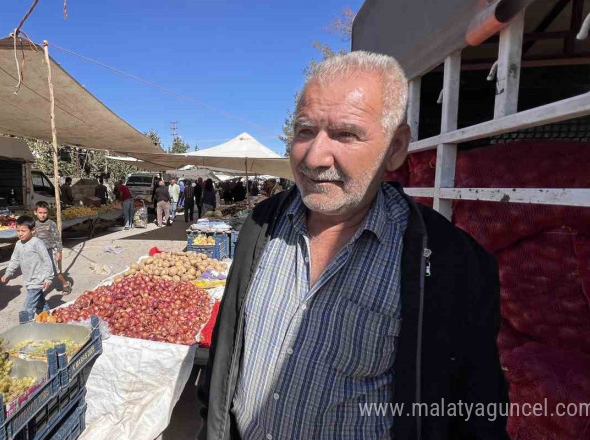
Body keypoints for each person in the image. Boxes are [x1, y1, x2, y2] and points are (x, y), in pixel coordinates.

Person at [198, 52, 508, 440]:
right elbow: (227, 358)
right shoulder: (261, 227)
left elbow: (476, 414)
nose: (314, 157)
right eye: (305, 131)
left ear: (395, 148)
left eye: (345, 134)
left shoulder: (452, 264)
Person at [2, 216, 55, 314]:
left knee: (28, 307)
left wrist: (48, 278)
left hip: (38, 280)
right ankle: (48, 317)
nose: (20, 233)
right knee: (40, 303)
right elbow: (15, 259)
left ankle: (26, 324)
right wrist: (9, 272)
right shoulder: (18, 244)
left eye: (23, 231)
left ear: (33, 230)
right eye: (18, 231)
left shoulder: (37, 243)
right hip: (28, 280)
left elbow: (47, 260)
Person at [33, 201, 71, 293]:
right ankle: (40, 289)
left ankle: (66, 284)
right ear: (35, 212)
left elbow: (57, 238)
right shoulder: (34, 224)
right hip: (40, 252)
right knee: (40, 270)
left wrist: (59, 251)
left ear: (48, 213)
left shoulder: (51, 224)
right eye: (40, 213)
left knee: (54, 270)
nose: (43, 215)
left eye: (45, 213)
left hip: (50, 250)